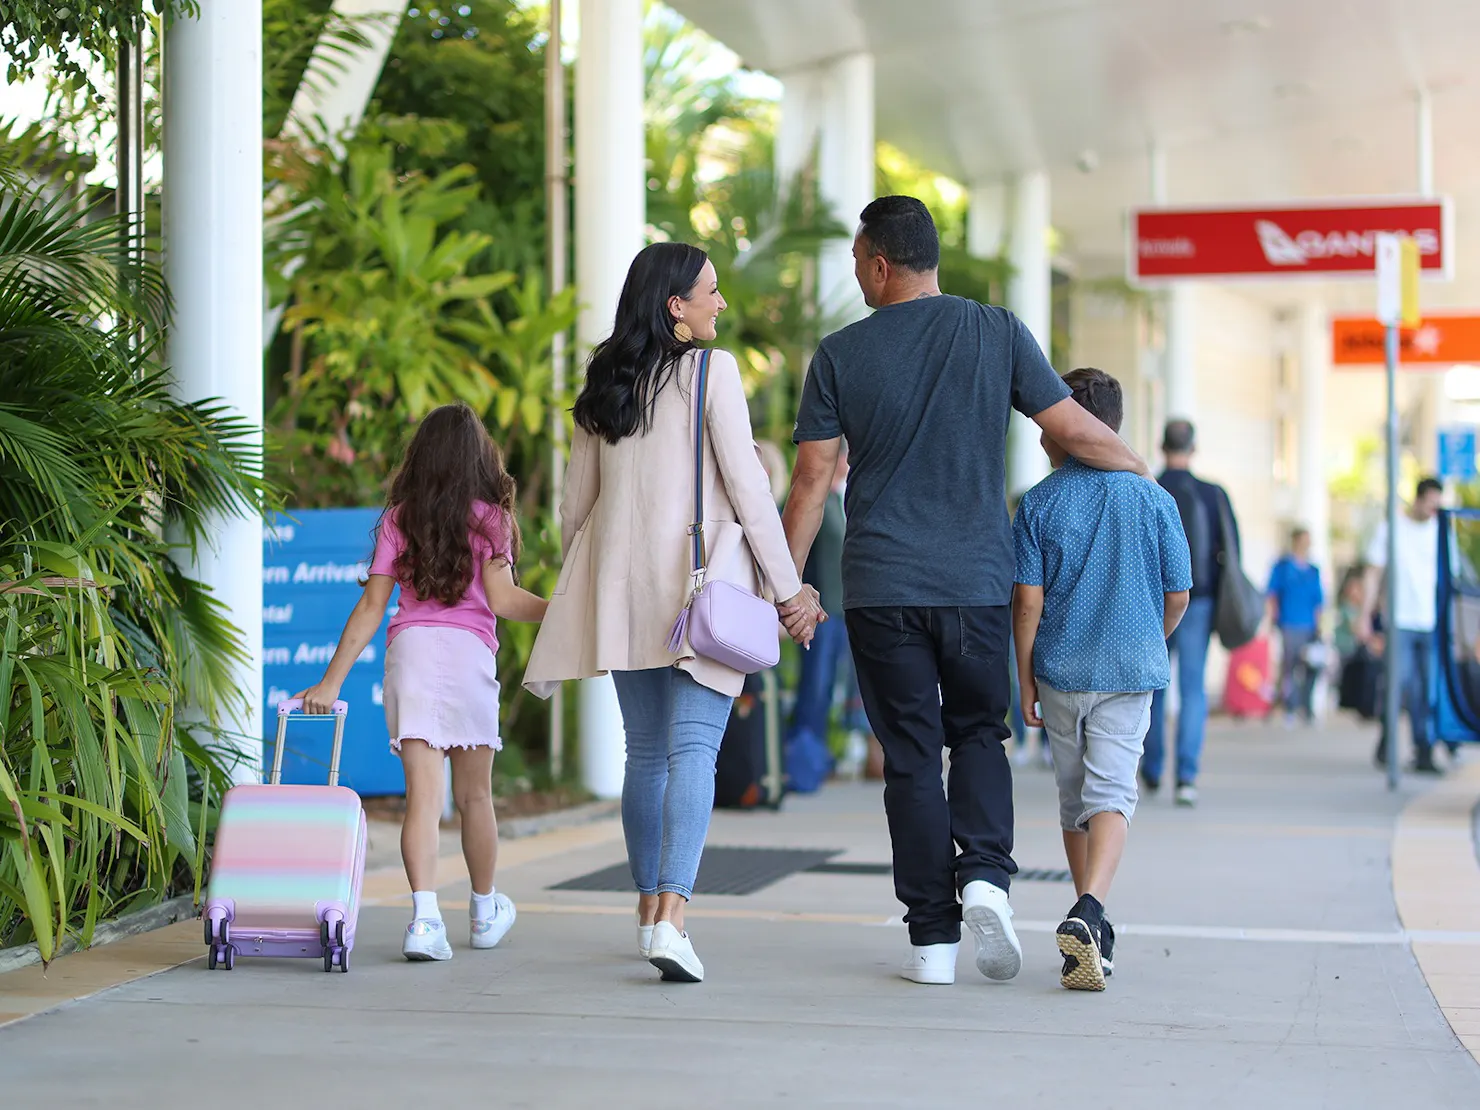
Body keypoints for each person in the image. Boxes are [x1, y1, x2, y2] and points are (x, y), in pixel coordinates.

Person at [781, 196, 1150, 987]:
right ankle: (985, 874)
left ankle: (932, 945)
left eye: (857, 263)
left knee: (911, 758)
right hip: (977, 584)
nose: (856, 276)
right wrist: (1138, 473)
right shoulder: (997, 331)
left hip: (881, 588)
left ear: (880, 263)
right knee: (979, 735)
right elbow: (1074, 427)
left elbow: (812, 481)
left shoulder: (841, 354)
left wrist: (786, 583)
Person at [523, 242, 823, 984]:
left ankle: (648, 910)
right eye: (710, 292)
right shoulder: (710, 372)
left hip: (621, 591)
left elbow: (574, 509)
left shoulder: (605, 384)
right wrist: (787, 590)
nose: (722, 303)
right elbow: (750, 490)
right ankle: (674, 918)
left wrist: (594, 583)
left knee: (646, 756)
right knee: (694, 754)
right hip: (701, 590)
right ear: (675, 305)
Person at [296, 403, 548, 962]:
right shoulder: (491, 520)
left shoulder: (398, 519)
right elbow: (504, 601)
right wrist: (558, 611)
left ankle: (426, 923)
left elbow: (371, 606)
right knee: (475, 795)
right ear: (479, 460)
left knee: (423, 799)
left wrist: (331, 682)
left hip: (410, 653)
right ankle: (484, 912)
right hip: (468, 655)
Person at [1012, 368, 1192, 991]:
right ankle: (1090, 912)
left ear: (1069, 426)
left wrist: (1026, 678)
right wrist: (1151, 638)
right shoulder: (1154, 498)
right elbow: (1178, 593)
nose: (1040, 437)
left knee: (1073, 798)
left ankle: (1090, 921)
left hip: (1061, 671)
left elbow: (1027, 603)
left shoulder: (1038, 503)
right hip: (1127, 671)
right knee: (1111, 791)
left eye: (1045, 422)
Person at [1144, 419, 1240, 808]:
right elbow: (1232, 555)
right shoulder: (1212, 494)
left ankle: (1152, 768)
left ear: (1160, 445)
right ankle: (1186, 776)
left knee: (1153, 687)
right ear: (1193, 448)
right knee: (1193, 688)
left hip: (1150, 603)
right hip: (1198, 601)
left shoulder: (1148, 486)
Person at [1361, 476, 1445, 774]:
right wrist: (1365, 616)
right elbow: (1373, 573)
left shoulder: (1439, 531)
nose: (1433, 511)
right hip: (1399, 620)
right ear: (1419, 499)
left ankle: (1423, 748)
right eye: (1430, 504)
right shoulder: (1392, 528)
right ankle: (1389, 741)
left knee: (1426, 687)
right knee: (1398, 682)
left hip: (1431, 621)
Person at [785, 443, 850, 791]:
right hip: (820, 612)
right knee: (814, 684)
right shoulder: (816, 500)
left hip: (839, 614)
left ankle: (815, 759)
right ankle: (801, 764)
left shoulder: (839, 501)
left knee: (827, 688)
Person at [1267, 527, 1326, 726]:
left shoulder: (1313, 570)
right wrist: (1271, 619)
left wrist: (1319, 626)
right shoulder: (1283, 567)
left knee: (1311, 667)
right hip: (1289, 623)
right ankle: (1289, 707)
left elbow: (1318, 601)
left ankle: (1307, 708)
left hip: (1309, 625)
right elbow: (1272, 595)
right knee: (1289, 667)